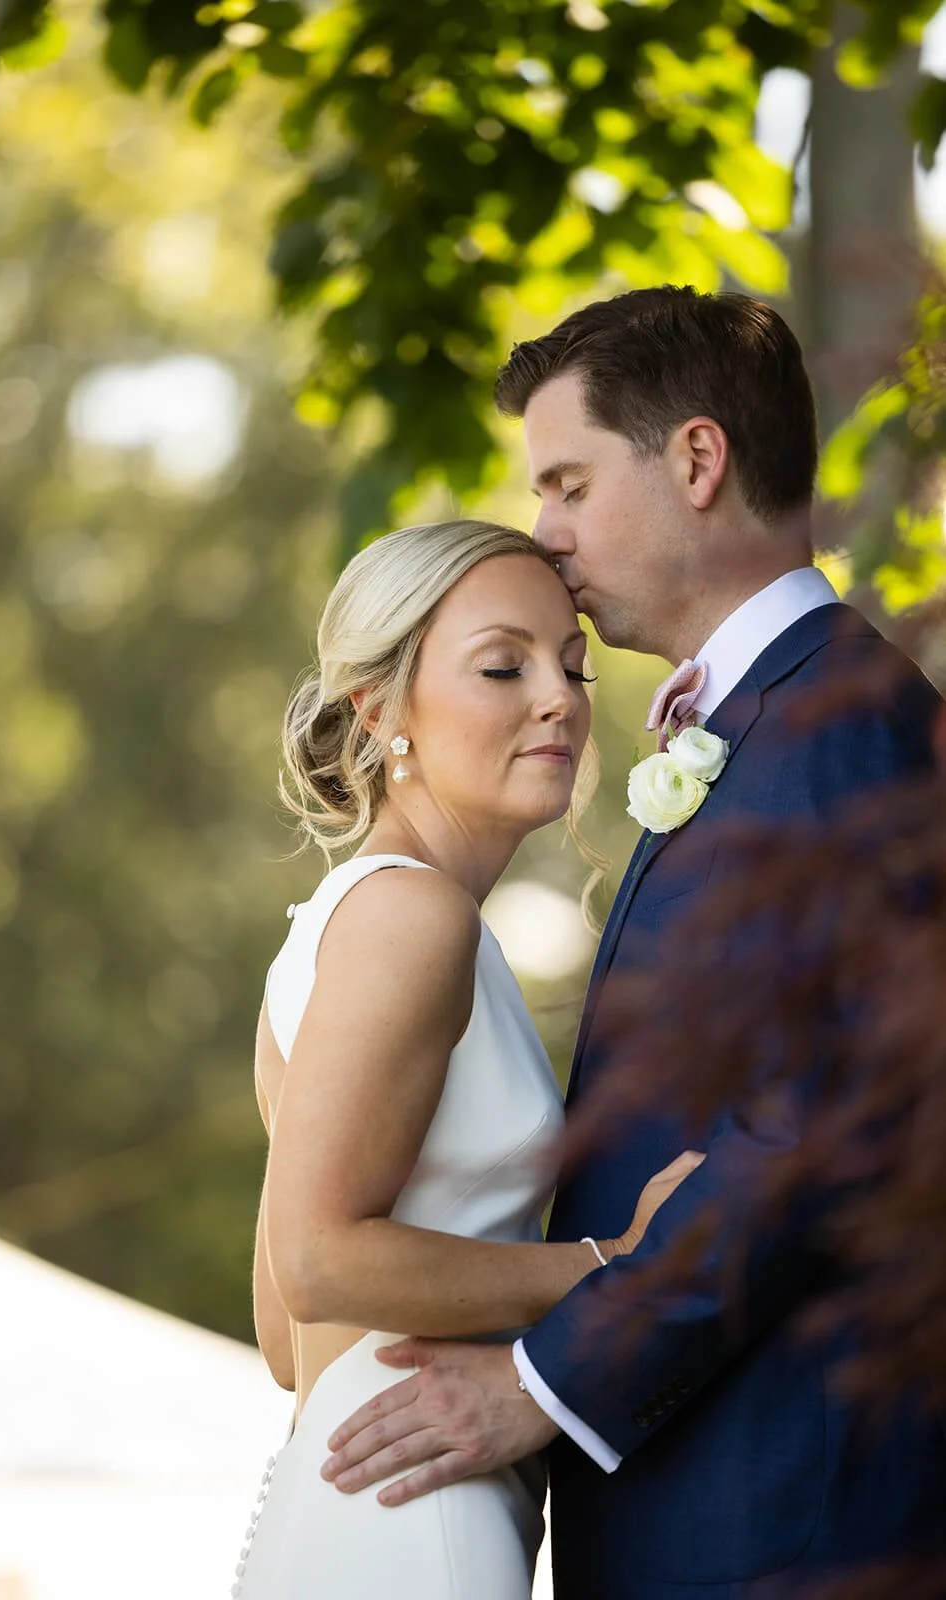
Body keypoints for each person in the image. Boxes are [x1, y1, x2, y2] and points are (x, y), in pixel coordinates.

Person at [321, 288, 946, 1598]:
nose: (545, 537)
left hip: (778, 1535)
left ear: (696, 462)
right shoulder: (765, 726)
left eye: (564, 483)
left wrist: (543, 1382)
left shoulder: (839, 729)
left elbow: (810, 1131)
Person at [235, 518, 702, 1598]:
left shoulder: (335, 925)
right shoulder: (412, 919)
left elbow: (279, 1333)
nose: (559, 698)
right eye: (503, 665)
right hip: (414, 1509)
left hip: (351, 1490)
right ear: (379, 709)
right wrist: (610, 1260)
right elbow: (314, 1265)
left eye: (573, 664)